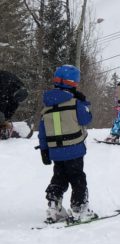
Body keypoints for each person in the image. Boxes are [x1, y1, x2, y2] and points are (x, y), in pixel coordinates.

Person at [38, 65, 96, 223]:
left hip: (56, 151)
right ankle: (79, 208)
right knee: (77, 177)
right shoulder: (76, 103)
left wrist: (44, 150)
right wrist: (84, 102)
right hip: (74, 149)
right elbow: (86, 119)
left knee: (59, 177)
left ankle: (53, 204)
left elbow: (42, 131)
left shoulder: (47, 107)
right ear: (74, 83)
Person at [0, 70, 28, 139]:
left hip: (11, 92)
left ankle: (5, 127)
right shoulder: (5, 84)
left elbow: (13, 104)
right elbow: (3, 100)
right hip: (6, 90)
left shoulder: (16, 92)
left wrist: (7, 118)